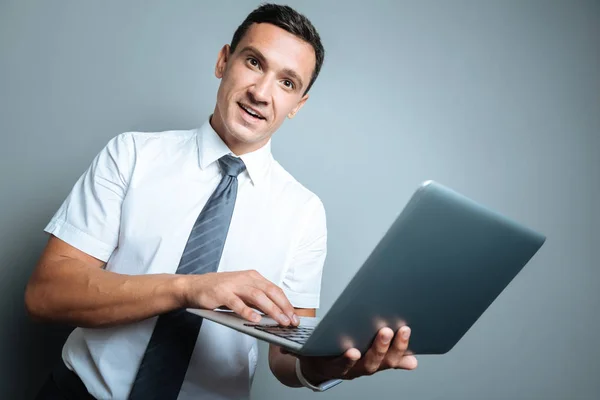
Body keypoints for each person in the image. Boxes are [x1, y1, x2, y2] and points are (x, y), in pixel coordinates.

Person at [25, 3, 417, 399]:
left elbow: (285, 357)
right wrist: (186, 289)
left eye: (287, 83)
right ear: (223, 61)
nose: (261, 93)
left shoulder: (304, 212)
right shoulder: (131, 155)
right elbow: (47, 294)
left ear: (298, 104)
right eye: (253, 62)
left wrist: (326, 366)